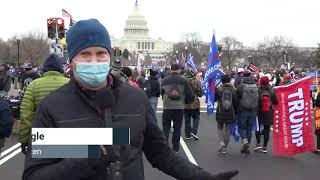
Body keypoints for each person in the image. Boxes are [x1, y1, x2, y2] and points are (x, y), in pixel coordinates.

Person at [22, 18, 238, 180]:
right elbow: (35, 174)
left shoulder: (135, 99)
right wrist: (86, 157)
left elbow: (160, 154)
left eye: (100, 54)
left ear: (110, 56)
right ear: (72, 60)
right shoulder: (53, 107)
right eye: (85, 55)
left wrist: (202, 177)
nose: (94, 60)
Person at [19, 54, 70, 154]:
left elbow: (26, 115)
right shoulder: (70, 83)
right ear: (61, 69)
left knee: (42, 166)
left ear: (44, 69)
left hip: (41, 134)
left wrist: (24, 139)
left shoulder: (34, 85)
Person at [161, 64, 195, 152]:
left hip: (167, 106)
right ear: (179, 70)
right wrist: (186, 102)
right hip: (179, 106)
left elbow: (162, 93)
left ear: (171, 70)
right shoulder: (184, 80)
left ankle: (165, 146)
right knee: (177, 127)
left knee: (166, 127)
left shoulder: (164, 80)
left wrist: (164, 99)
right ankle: (175, 147)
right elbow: (190, 94)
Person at [236, 70, 259, 155]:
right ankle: (247, 147)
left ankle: (244, 140)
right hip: (253, 110)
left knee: (241, 127)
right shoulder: (256, 86)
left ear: (243, 76)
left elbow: (236, 97)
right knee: (249, 128)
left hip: (243, 110)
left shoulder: (241, 86)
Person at [253, 76, 278, 153]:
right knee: (267, 129)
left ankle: (258, 144)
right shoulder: (272, 90)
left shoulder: (257, 89)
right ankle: (265, 147)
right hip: (268, 112)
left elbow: (255, 100)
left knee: (257, 128)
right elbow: (276, 102)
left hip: (259, 111)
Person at [215, 75, 237, 154]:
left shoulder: (219, 89)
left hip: (220, 111)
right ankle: (224, 148)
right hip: (230, 112)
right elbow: (236, 102)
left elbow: (214, 99)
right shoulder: (233, 90)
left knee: (219, 127)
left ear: (222, 81)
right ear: (230, 80)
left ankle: (221, 142)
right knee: (227, 129)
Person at [184, 68, 203, 140]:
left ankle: (187, 134)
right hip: (194, 103)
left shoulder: (183, 81)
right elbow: (200, 93)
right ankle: (194, 132)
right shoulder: (196, 81)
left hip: (185, 103)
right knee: (196, 118)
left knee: (187, 119)